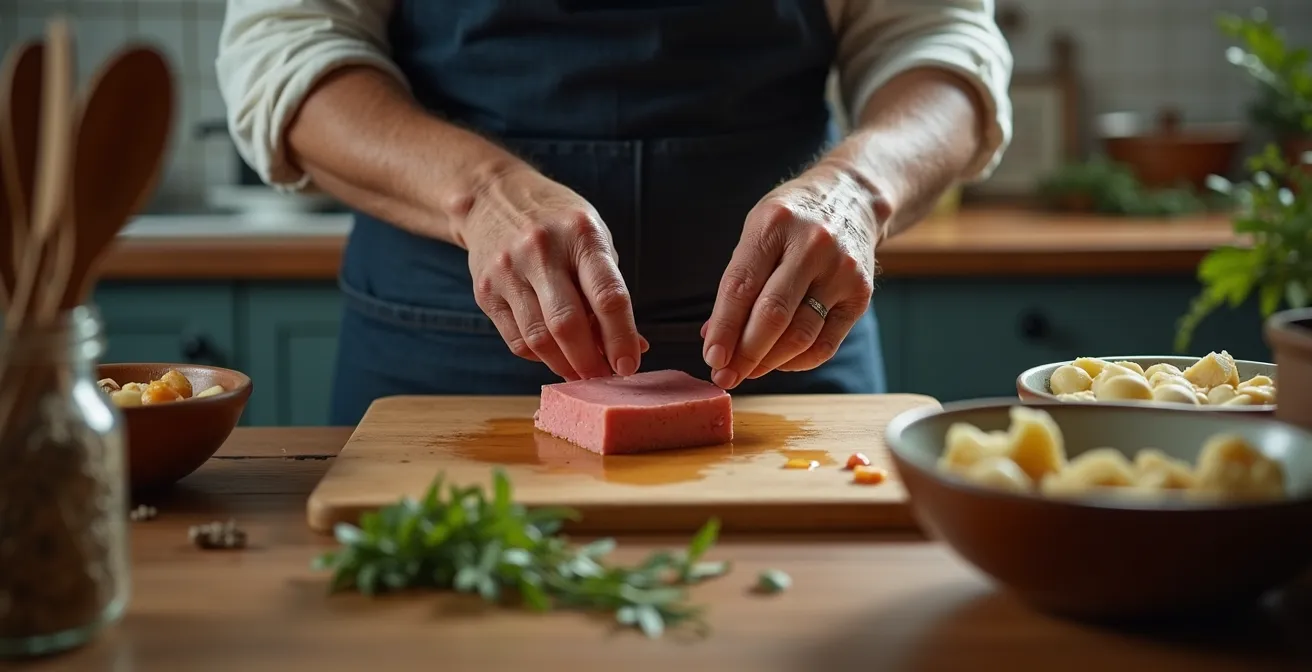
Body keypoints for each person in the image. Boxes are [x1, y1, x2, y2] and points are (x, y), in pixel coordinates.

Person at [217, 0, 1013, 425]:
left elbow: (937, 35)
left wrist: (857, 192)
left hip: (794, 353)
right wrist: (480, 192)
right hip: (437, 351)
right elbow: (284, 45)